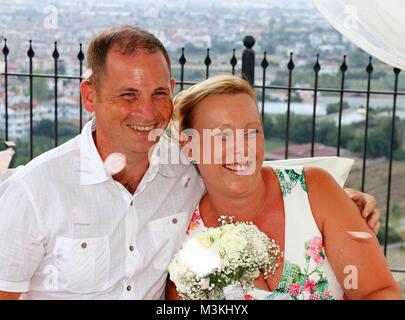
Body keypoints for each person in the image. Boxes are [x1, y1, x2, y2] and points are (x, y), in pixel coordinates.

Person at [0, 26, 379, 300]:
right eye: (128, 94)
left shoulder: (186, 168)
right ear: (89, 96)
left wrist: (339, 200)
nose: (147, 111)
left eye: (159, 93)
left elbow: (246, 176)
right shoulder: (34, 192)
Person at [166, 75, 401, 300]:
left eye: (251, 131)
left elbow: (379, 291)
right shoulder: (185, 240)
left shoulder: (315, 192)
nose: (241, 148)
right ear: (190, 146)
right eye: (222, 135)